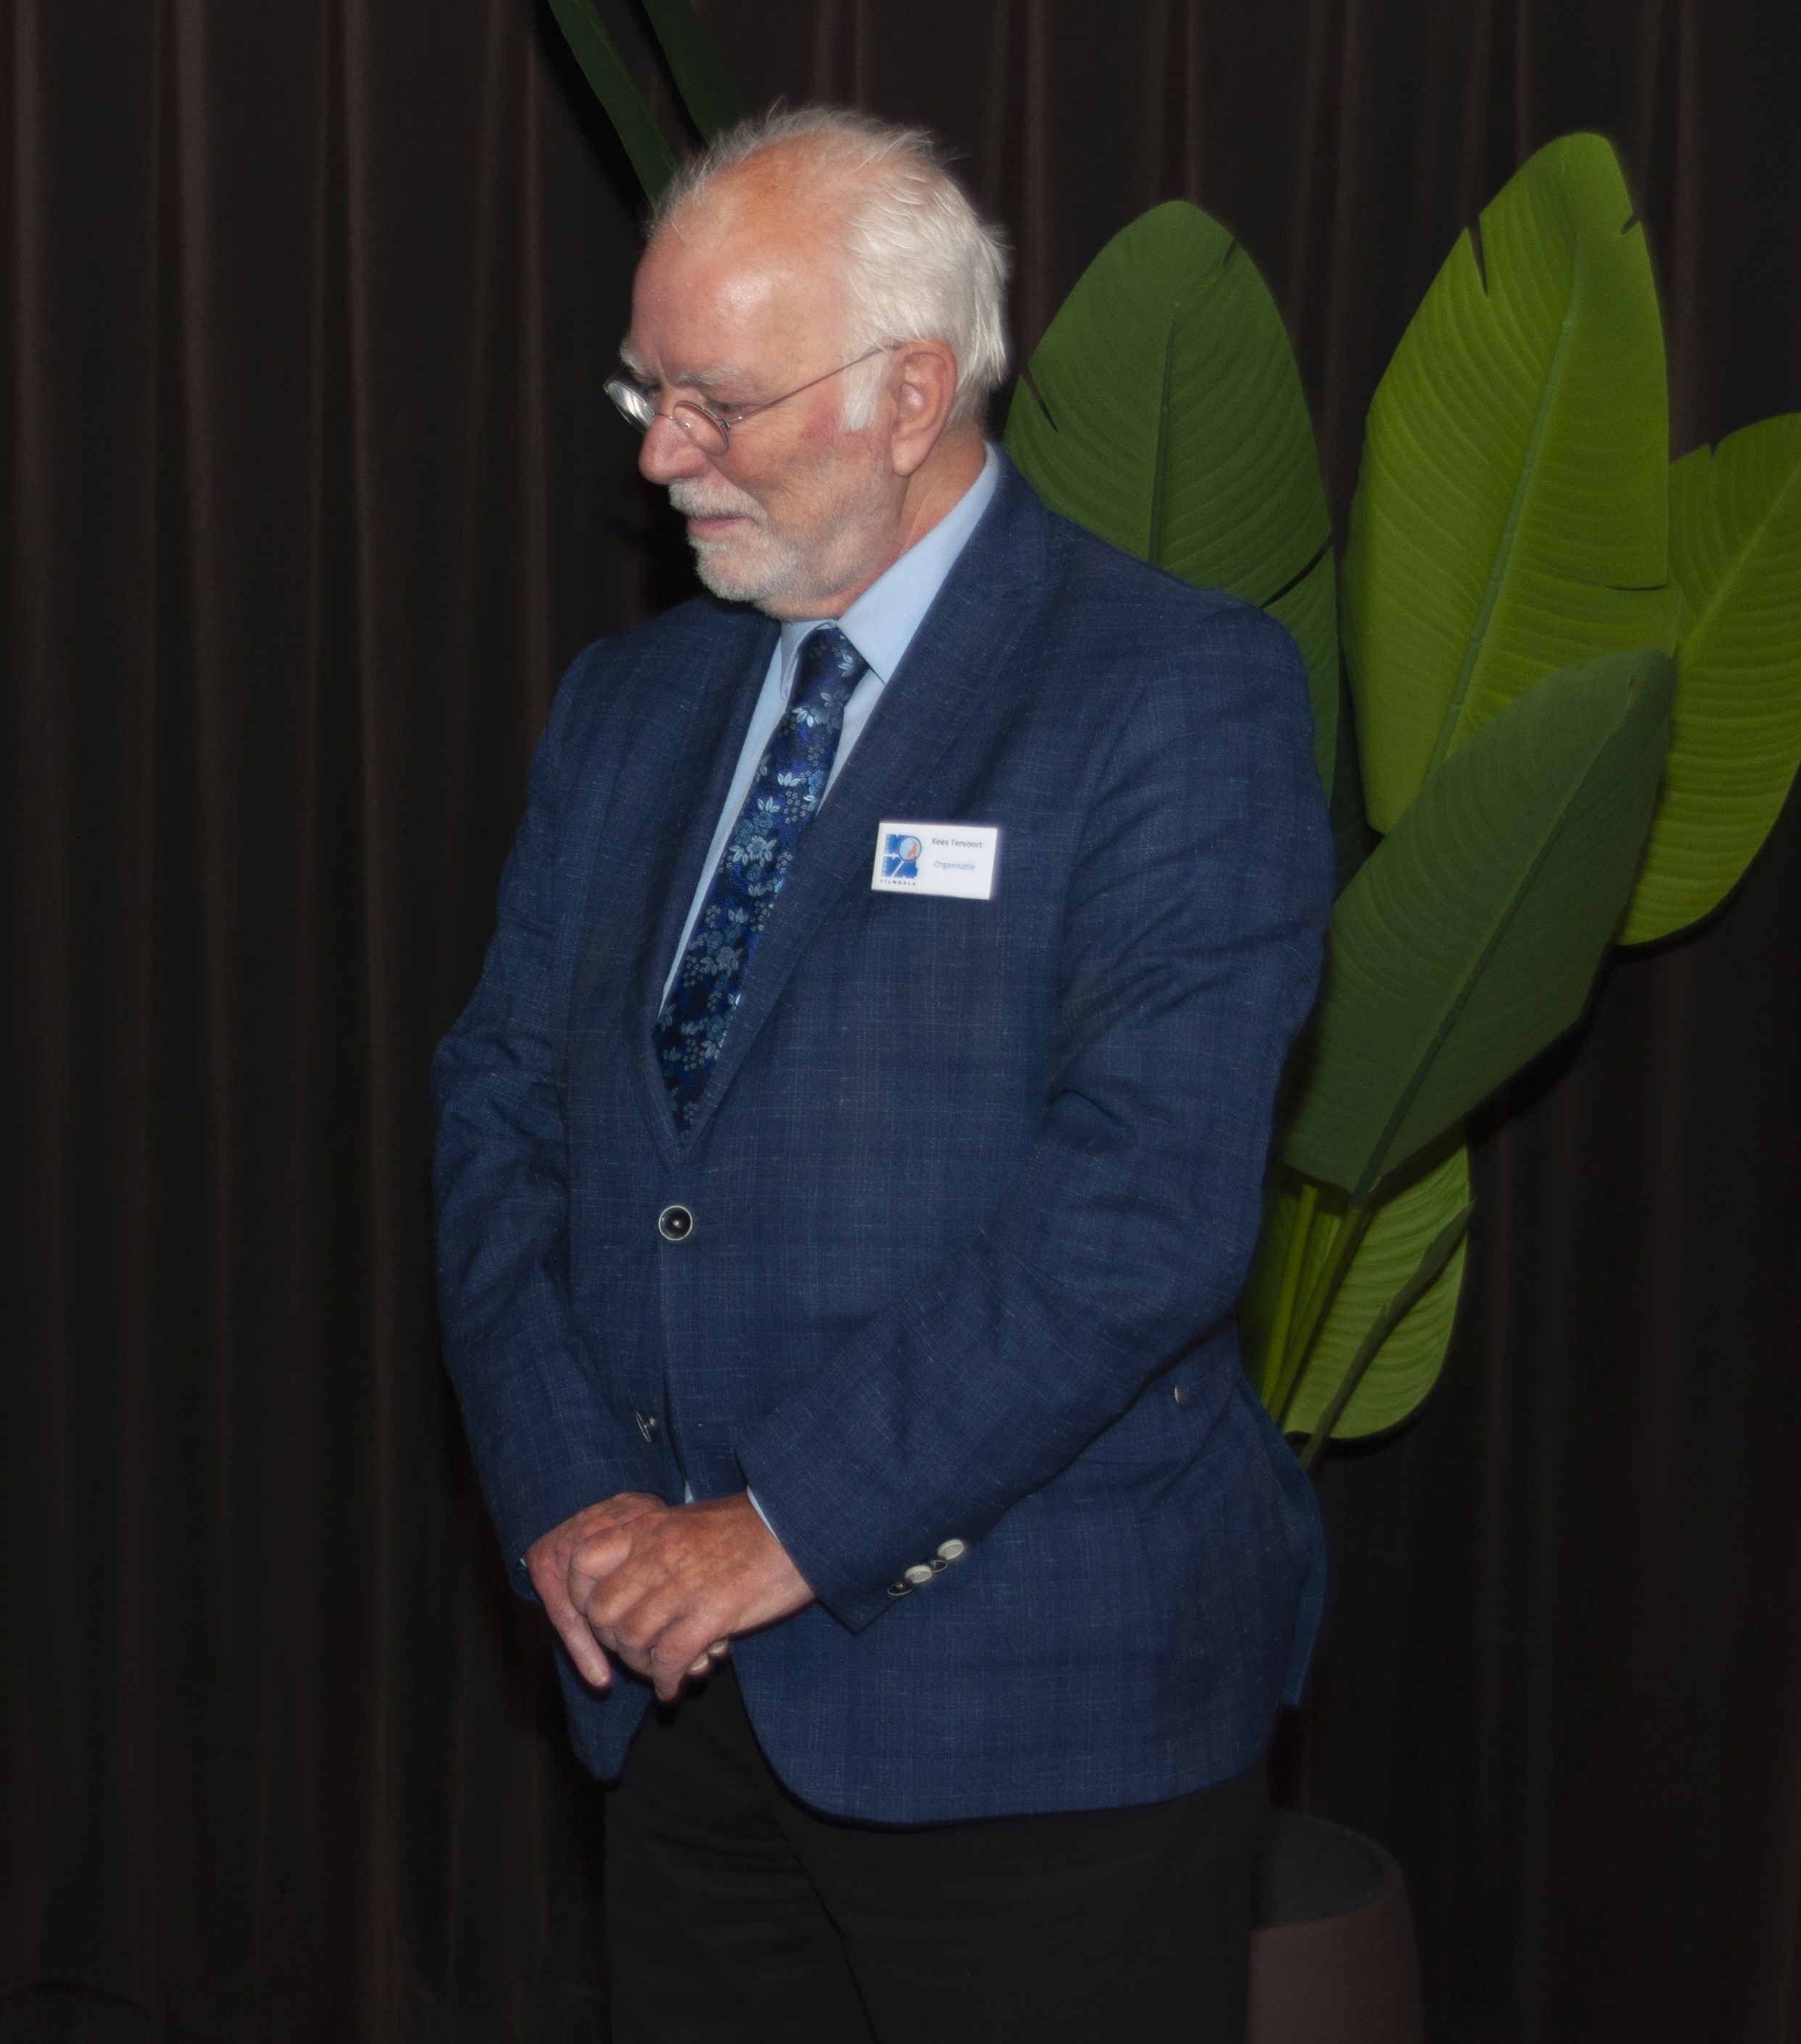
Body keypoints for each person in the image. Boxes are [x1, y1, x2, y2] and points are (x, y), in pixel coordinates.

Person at [433, 106, 1332, 2040]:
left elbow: (1143, 1209)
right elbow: (498, 1103)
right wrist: (570, 1491)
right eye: (645, 390)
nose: (659, 452)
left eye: (715, 400)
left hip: (1033, 1726)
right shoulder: (628, 704)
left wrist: (780, 1527)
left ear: (910, 394)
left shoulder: (1171, 692)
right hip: (672, 1701)